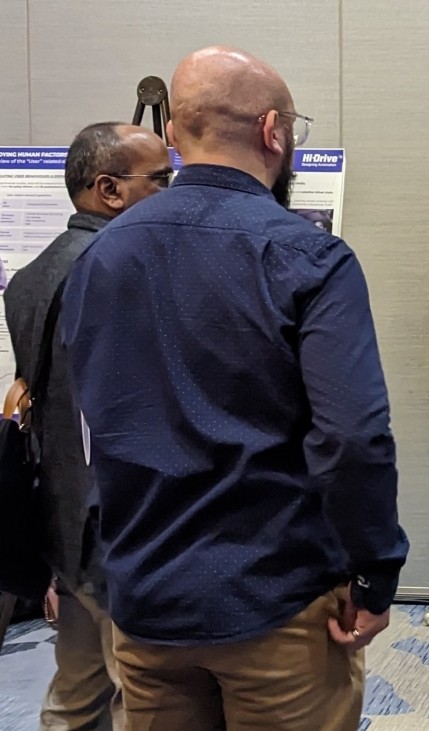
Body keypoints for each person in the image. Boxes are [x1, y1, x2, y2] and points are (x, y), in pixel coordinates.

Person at [60, 46, 408, 731]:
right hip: (276, 601)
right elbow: (352, 437)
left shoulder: (99, 257)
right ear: (274, 130)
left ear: (174, 137)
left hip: (143, 601)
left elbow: (93, 422)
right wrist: (375, 573)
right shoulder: (310, 257)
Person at [4, 121, 171, 730]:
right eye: (163, 179)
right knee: (142, 699)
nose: (175, 190)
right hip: (123, 531)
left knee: (75, 690)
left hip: (65, 527)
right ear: (109, 189)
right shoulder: (120, 274)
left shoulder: (28, 279)